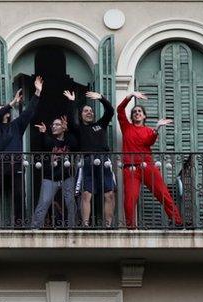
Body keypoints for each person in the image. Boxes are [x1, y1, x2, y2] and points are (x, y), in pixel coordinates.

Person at [0, 76, 43, 228]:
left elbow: (28, 113)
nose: (3, 111)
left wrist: (37, 93)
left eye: (4, 110)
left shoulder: (16, 126)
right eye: (1, 110)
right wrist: (11, 103)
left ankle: (20, 226)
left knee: (19, 195)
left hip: (16, 165)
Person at [117, 91, 183, 228]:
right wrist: (131, 95)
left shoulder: (149, 131)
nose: (137, 113)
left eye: (140, 111)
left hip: (147, 167)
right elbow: (120, 109)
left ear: (144, 116)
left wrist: (157, 127)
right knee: (129, 200)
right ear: (132, 116)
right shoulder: (126, 127)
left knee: (164, 194)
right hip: (131, 169)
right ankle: (130, 228)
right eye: (135, 111)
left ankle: (178, 222)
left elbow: (149, 142)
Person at [64, 90, 116, 227]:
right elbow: (70, 120)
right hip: (87, 161)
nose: (89, 112)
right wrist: (71, 102)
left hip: (104, 160)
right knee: (86, 194)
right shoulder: (79, 128)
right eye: (86, 111)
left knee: (109, 194)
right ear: (81, 115)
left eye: (91, 111)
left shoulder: (100, 125)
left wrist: (101, 98)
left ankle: (108, 225)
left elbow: (110, 111)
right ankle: (86, 225)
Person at [31, 116, 79, 228]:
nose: (54, 126)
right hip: (50, 177)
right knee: (44, 202)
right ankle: (34, 229)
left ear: (63, 127)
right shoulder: (49, 140)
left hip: (67, 176)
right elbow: (43, 145)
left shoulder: (69, 140)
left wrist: (68, 130)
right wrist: (43, 133)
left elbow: (75, 145)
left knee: (71, 203)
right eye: (53, 125)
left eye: (57, 124)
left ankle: (72, 228)